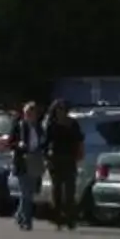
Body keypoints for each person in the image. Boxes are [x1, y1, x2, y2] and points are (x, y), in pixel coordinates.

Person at [43, 99, 85, 231]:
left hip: (69, 158)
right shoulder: (51, 124)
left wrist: (80, 153)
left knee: (70, 190)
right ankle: (58, 218)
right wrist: (45, 157)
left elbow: (79, 140)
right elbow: (45, 142)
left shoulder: (72, 123)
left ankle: (70, 218)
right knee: (57, 189)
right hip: (55, 158)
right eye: (58, 109)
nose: (61, 111)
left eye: (63, 109)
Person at [9, 101, 40, 231]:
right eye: (27, 113)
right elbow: (11, 143)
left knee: (30, 193)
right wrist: (18, 145)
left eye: (32, 113)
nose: (29, 115)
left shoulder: (38, 127)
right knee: (25, 193)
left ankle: (19, 215)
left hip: (34, 160)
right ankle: (27, 221)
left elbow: (42, 141)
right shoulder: (19, 126)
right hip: (22, 161)